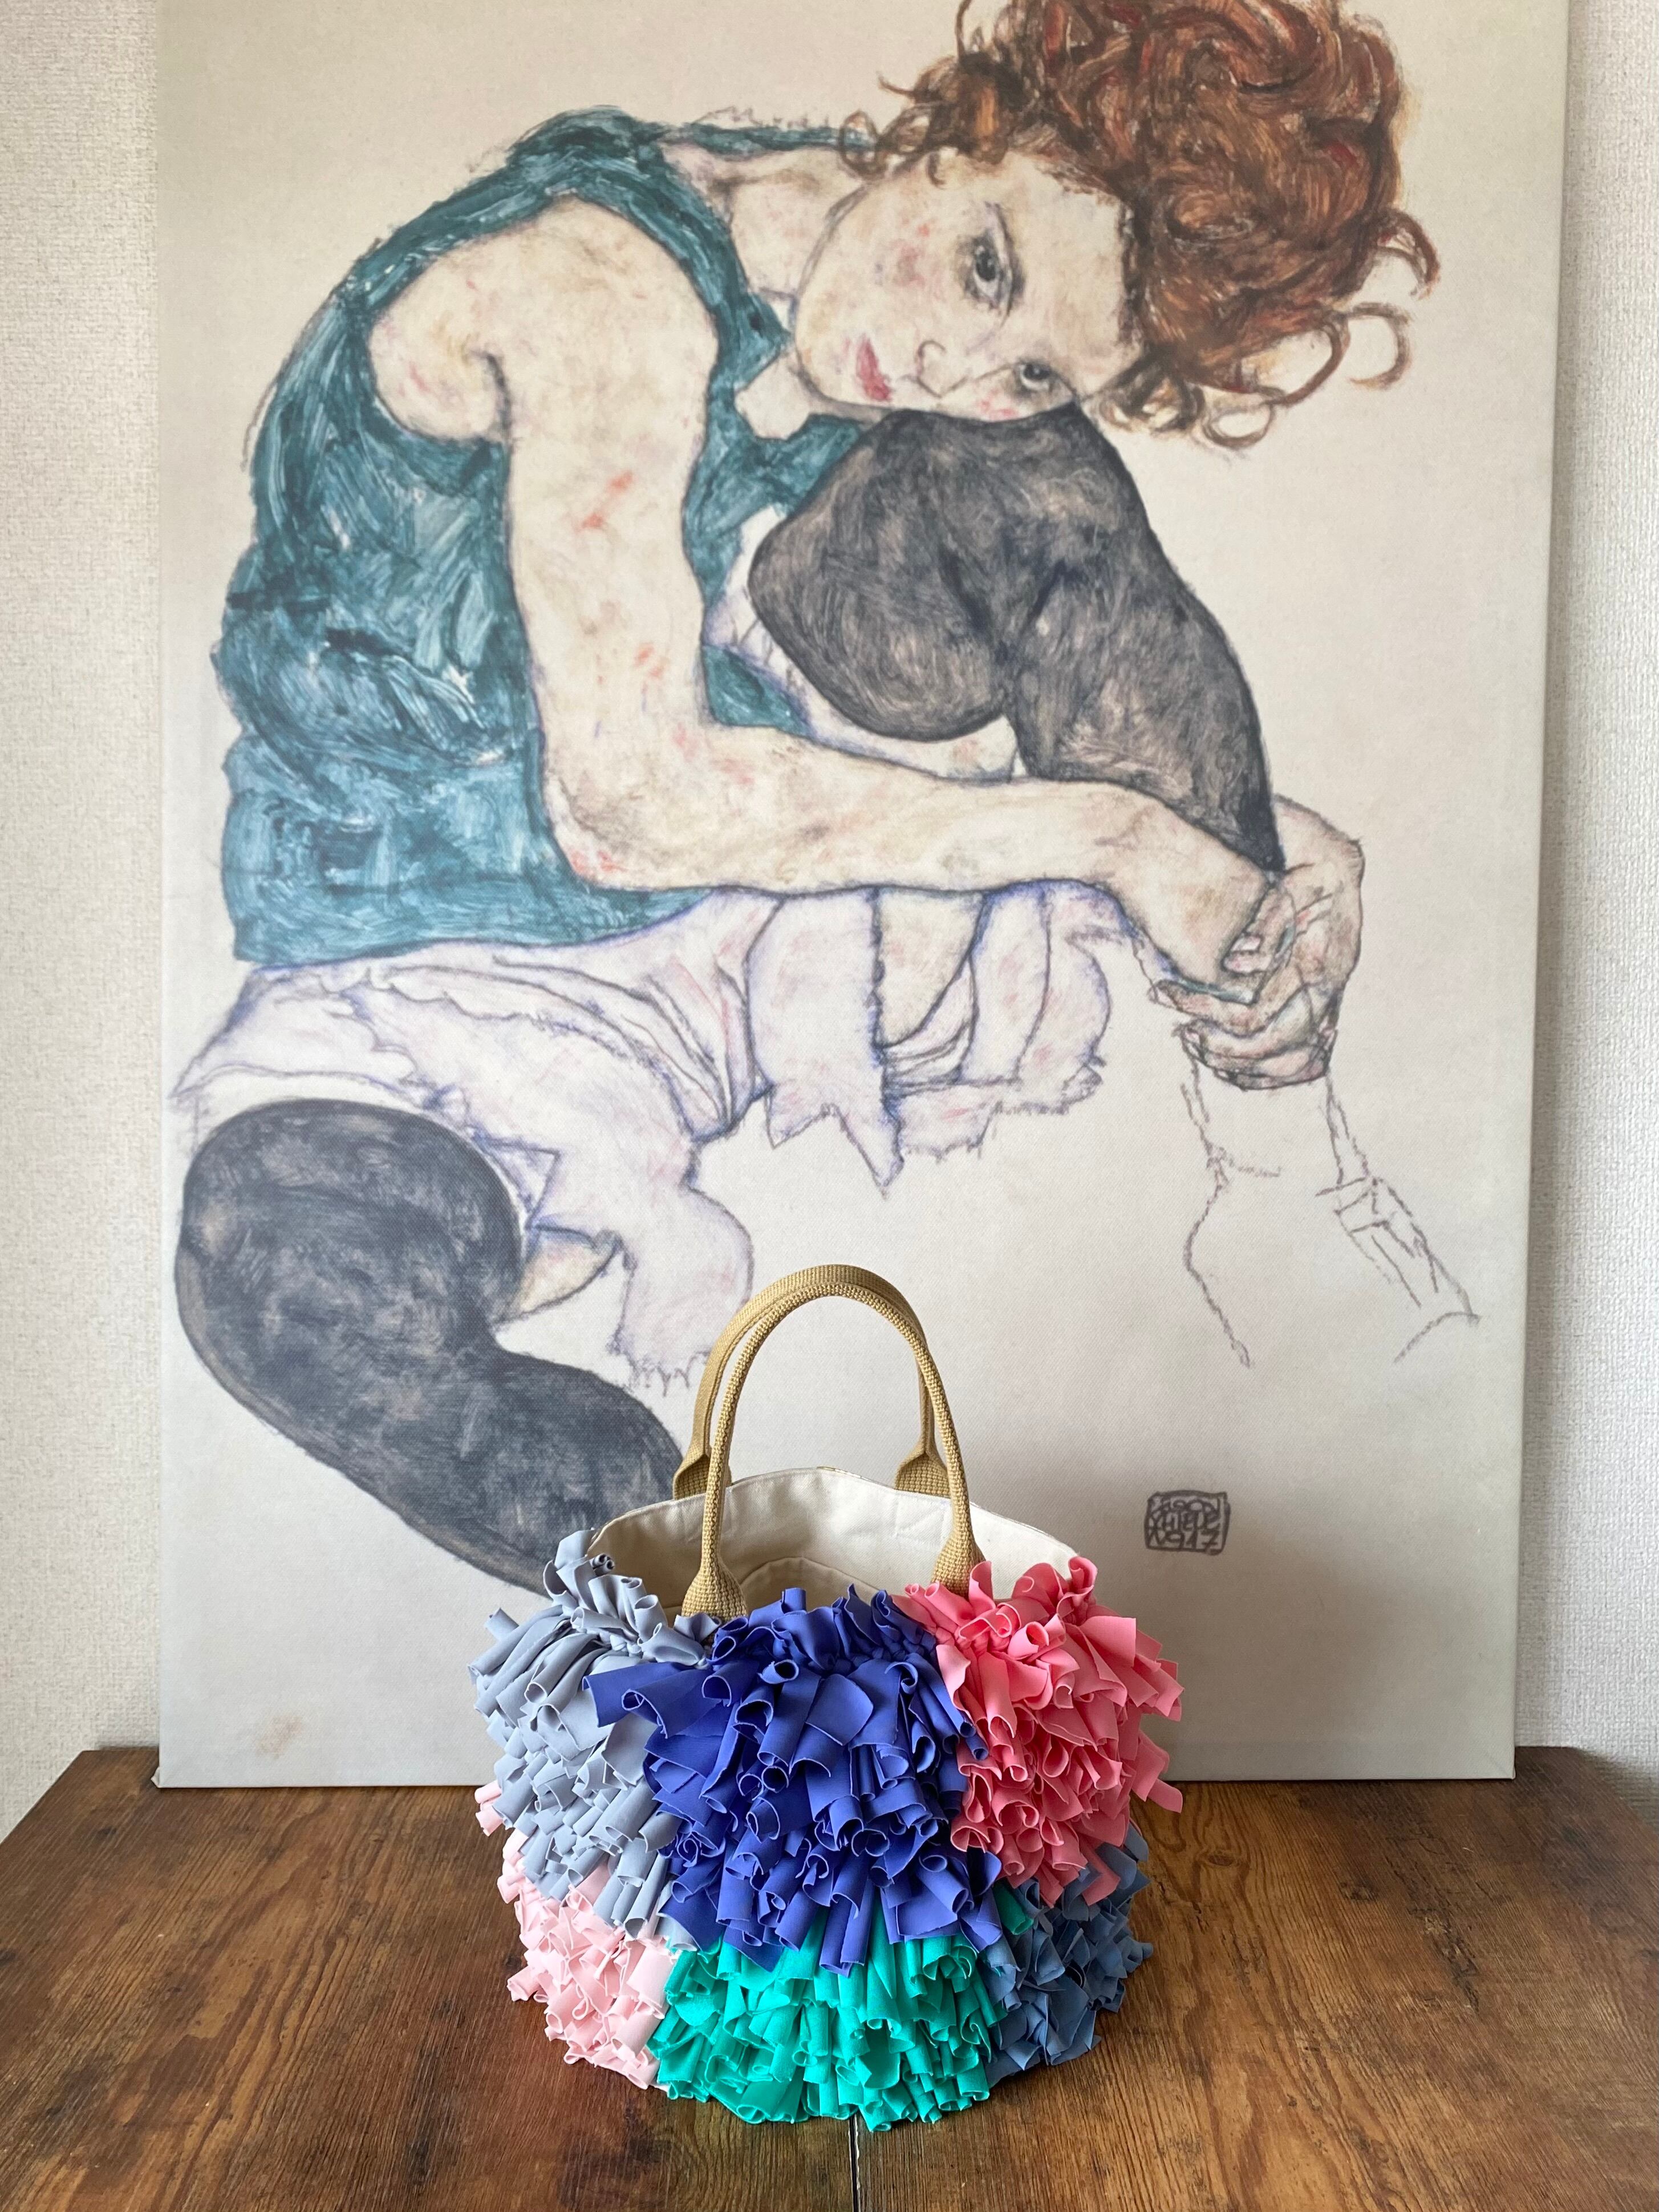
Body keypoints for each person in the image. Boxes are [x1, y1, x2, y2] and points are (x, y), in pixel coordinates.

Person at [176, 0, 1454, 1589]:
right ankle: (749, 1631)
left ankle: (1283, 1175)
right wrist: (1127, 835)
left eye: (1037, 360)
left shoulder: (863, 272)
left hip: (748, 867)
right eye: (984, 266)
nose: (950, 360)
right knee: (287, 1288)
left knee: (1029, 476)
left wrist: (1256, 851)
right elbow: (628, 805)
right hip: (428, 957)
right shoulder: (597, 286)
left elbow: (957, 614)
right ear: (963, 132)